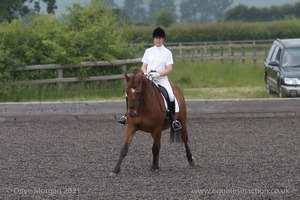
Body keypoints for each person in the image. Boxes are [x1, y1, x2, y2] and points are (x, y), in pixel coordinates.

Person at [118, 27, 182, 131]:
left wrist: (158, 74)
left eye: (160, 38)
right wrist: (146, 73)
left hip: (161, 79)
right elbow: (144, 66)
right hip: (147, 78)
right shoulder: (148, 51)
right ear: (153, 39)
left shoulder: (167, 53)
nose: (158, 40)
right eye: (156, 38)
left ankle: (173, 120)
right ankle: (126, 116)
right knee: (129, 93)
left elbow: (169, 69)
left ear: (163, 39)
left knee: (170, 95)